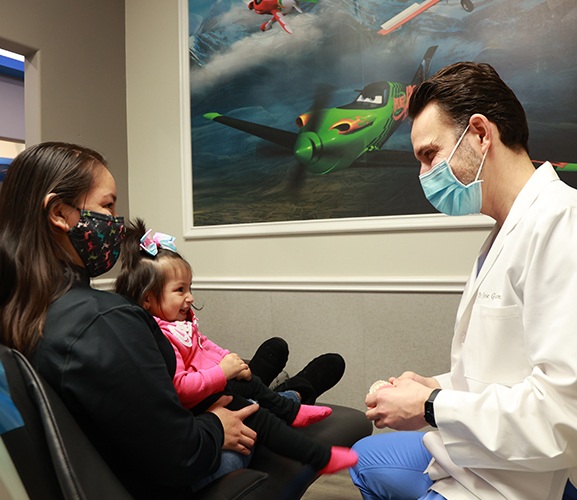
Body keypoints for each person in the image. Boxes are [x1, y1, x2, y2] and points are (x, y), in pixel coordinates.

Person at [350, 61, 577, 499]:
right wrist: (434, 386)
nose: (423, 175)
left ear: (479, 133)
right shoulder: (506, 229)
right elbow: (504, 371)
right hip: (480, 454)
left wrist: (430, 407)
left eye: (429, 155)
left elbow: (563, 416)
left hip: (523, 479)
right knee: (365, 459)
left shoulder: (561, 224)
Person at [0, 142, 261, 499]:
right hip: (143, 482)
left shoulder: (16, 309)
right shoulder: (102, 321)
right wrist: (216, 425)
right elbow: (180, 454)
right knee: (256, 430)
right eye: (107, 205)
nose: (116, 223)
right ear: (60, 213)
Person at [114, 219, 357, 476]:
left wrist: (230, 360)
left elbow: (202, 343)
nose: (190, 297)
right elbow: (181, 389)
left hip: (210, 389)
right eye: (180, 290)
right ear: (148, 299)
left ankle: (290, 405)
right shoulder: (159, 337)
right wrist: (223, 372)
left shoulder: (179, 322)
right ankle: (314, 445)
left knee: (252, 380)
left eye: (190, 287)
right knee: (258, 415)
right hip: (199, 403)